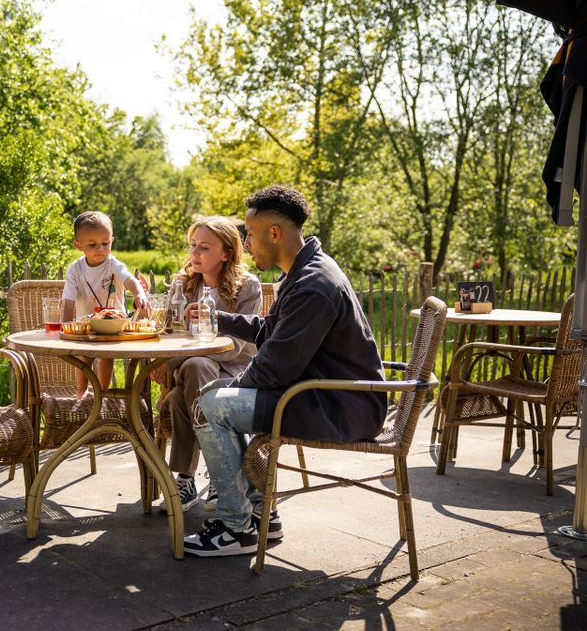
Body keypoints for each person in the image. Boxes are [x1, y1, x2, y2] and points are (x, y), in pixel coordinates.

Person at [183, 185, 387, 557]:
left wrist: (226, 393)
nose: (245, 243)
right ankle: (263, 514)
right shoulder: (303, 271)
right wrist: (220, 318)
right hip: (319, 393)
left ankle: (235, 526)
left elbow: (275, 368)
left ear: (274, 233)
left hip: (337, 407)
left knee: (210, 405)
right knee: (216, 394)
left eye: (250, 234)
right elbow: (269, 335)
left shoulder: (313, 284)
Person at [151, 216, 262, 512]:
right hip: (193, 373)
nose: (195, 253)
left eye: (204, 247)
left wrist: (178, 358)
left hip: (235, 370)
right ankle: (217, 475)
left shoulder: (247, 287)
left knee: (177, 397)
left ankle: (189, 478)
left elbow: (238, 345)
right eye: (192, 245)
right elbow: (170, 332)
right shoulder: (183, 285)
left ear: (226, 253)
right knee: (195, 368)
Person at [62, 211, 149, 397]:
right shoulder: (75, 269)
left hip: (114, 325)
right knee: (84, 356)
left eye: (105, 243)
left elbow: (129, 280)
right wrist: (65, 327)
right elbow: (68, 301)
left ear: (112, 240)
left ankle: (102, 391)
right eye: (92, 245)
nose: (100, 248)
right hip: (85, 325)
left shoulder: (113, 264)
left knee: (105, 356)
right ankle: (81, 391)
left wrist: (139, 293)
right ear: (78, 245)